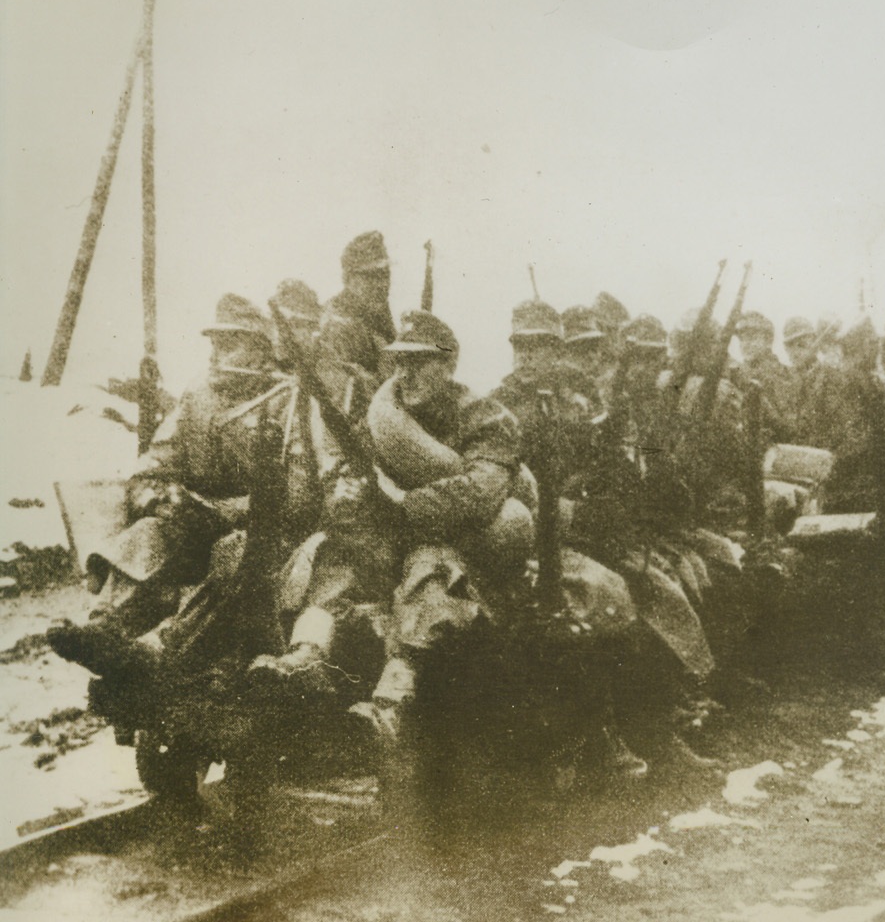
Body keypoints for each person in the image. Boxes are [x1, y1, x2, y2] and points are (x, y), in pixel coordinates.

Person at [249, 310, 530, 721]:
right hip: (389, 544)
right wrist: (348, 500)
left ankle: (395, 695)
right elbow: (354, 470)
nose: (405, 373)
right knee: (336, 552)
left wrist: (402, 506)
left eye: (419, 362)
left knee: (430, 566)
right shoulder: (385, 413)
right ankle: (307, 652)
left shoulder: (487, 419)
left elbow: (481, 492)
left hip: (464, 544)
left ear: (449, 364)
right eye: (399, 361)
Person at [47, 295, 295, 682]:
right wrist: (161, 499)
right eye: (214, 343)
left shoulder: (287, 400)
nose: (217, 354)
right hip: (194, 527)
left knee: (235, 555)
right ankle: (104, 629)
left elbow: (295, 493)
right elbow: (154, 463)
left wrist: (229, 511)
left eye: (230, 343)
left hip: (259, 534)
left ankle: (165, 651)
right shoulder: (198, 395)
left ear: (261, 348)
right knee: (148, 533)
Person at [490, 300, 601, 484]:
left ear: (557, 352)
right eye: (519, 346)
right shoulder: (498, 404)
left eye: (535, 346)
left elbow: (599, 459)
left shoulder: (575, 394)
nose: (525, 356)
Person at [320, 231, 397, 381]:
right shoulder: (336, 324)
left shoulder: (376, 315)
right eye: (371, 277)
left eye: (385, 275)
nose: (382, 285)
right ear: (348, 280)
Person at [733, 311, 800, 443]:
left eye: (752, 338)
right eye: (742, 339)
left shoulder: (782, 374)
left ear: (768, 342)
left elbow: (788, 427)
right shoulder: (738, 372)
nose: (746, 344)